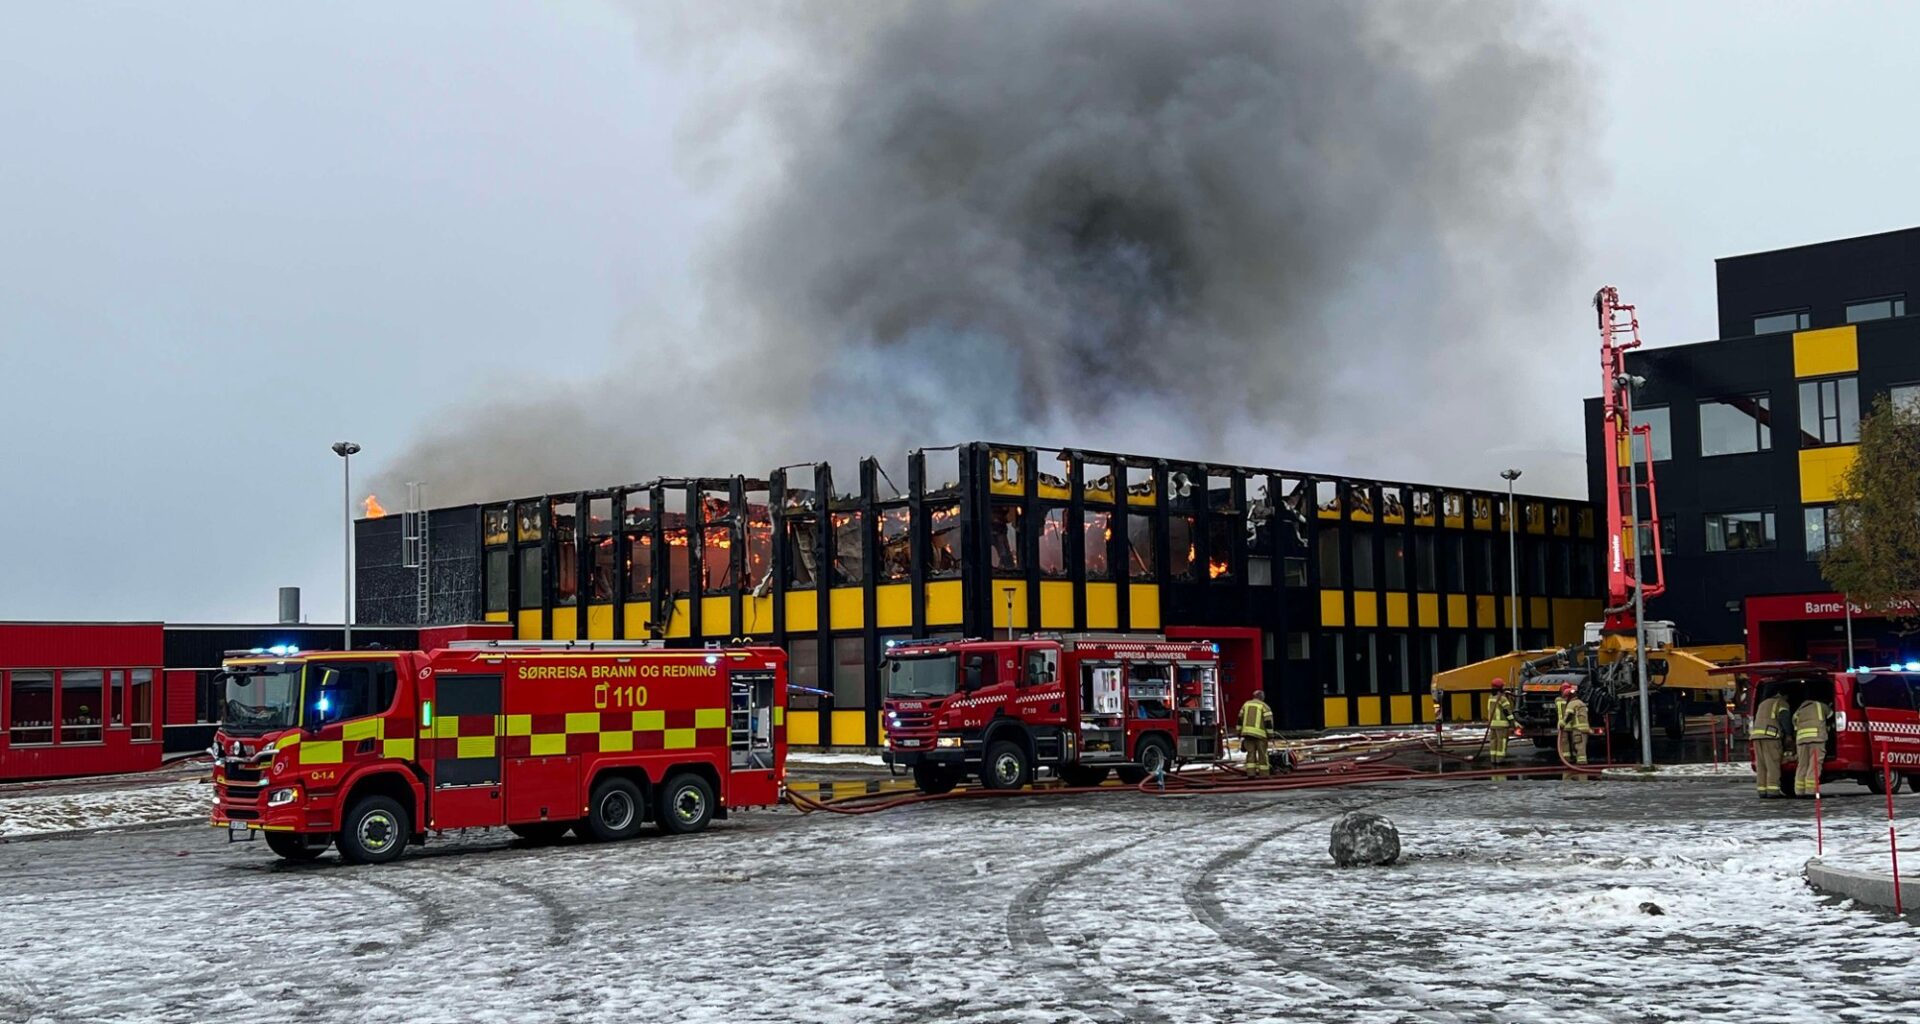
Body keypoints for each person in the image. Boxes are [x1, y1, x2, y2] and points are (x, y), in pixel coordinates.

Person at [1749, 686, 1790, 798]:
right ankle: (1773, 791)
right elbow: (1784, 718)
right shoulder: (1781, 703)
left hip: (1756, 737)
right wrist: (1789, 734)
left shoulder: (1763, 703)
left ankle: (1762, 790)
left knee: (1761, 765)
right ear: (1784, 695)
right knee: (1772, 764)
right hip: (1770, 737)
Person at [1792, 693, 1832, 797]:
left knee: (1802, 765)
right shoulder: (1820, 706)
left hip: (1801, 740)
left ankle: (1799, 791)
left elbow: (1794, 726)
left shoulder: (1798, 711)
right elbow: (1832, 715)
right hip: (1816, 738)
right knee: (1814, 764)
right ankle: (1811, 791)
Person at [1239, 693, 1275, 778]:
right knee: (1262, 754)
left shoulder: (1245, 705)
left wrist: (1239, 732)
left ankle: (1251, 774)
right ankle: (1264, 774)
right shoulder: (1264, 706)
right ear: (1262, 697)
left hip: (1247, 734)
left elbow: (1239, 719)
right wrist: (1270, 735)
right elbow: (1268, 723)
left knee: (1250, 754)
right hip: (1260, 735)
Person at [1557, 683, 1592, 766]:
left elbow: (1569, 715)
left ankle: (1581, 763)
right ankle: (1581, 761)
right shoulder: (1581, 702)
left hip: (1577, 729)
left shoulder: (1571, 704)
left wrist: (1563, 723)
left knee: (1579, 747)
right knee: (1582, 746)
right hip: (1584, 728)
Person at [1486, 679, 1515, 764]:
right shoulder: (1503, 699)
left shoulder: (1490, 697)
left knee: (1493, 741)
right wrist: (1512, 722)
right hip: (1502, 725)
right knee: (1501, 741)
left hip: (1492, 724)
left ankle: (1493, 759)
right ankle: (1500, 759)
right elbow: (1507, 712)